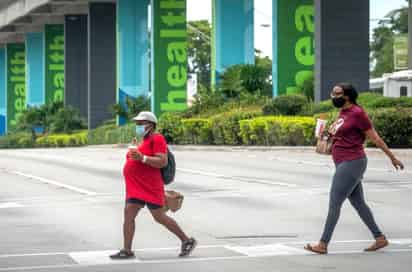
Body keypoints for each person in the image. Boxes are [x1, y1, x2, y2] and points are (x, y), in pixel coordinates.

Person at [305, 83, 405, 255]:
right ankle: (380, 238)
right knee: (359, 203)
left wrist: (392, 157)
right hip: (343, 162)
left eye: (337, 94)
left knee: (334, 203)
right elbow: (337, 136)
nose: (333, 96)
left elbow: (375, 137)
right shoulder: (342, 114)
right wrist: (323, 135)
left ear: (348, 96)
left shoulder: (358, 114)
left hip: (352, 162)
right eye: (332, 93)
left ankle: (323, 244)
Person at [110, 111, 197, 259]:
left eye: (140, 123)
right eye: (137, 123)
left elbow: (162, 161)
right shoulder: (142, 141)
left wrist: (142, 157)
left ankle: (187, 241)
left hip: (150, 186)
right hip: (136, 187)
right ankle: (127, 250)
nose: (137, 126)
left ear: (150, 125)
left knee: (159, 217)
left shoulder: (157, 139)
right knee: (128, 213)